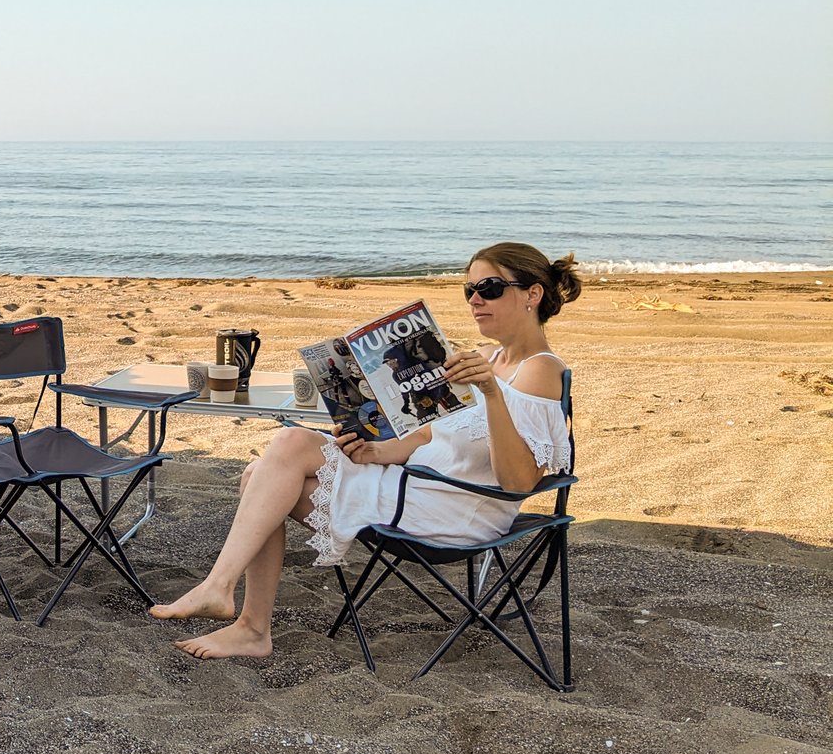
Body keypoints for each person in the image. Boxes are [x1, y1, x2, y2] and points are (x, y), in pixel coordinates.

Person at [149, 244, 582, 660]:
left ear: (533, 294)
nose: (474, 300)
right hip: (415, 486)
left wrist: (490, 393)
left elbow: (520, 482)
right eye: (468, 290)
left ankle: (229, 600)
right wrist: (374, 452)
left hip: (458, 510)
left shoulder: (541, 370)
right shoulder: (486, 355)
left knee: (284, 450)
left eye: (488, 288)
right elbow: (432, 435)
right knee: (262, 471)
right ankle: (248, 627)